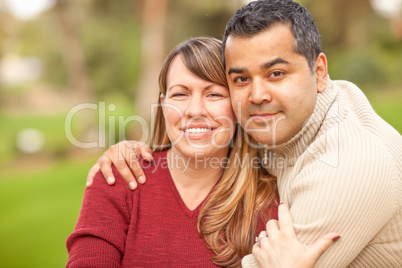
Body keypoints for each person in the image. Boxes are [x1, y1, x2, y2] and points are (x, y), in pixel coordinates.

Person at [87, 0, 402, 267]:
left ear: (319, 72)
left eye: (276, 73)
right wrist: (131, 150)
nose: (257, 95)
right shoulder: (278, 133)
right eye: (240, 79)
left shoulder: (346, 167)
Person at [68, 36, 338, 268]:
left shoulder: (270, 201)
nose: (195, 110)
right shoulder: (119, 179)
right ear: (162, 105)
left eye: (213, 95)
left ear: (236, 104)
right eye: (180, 95)